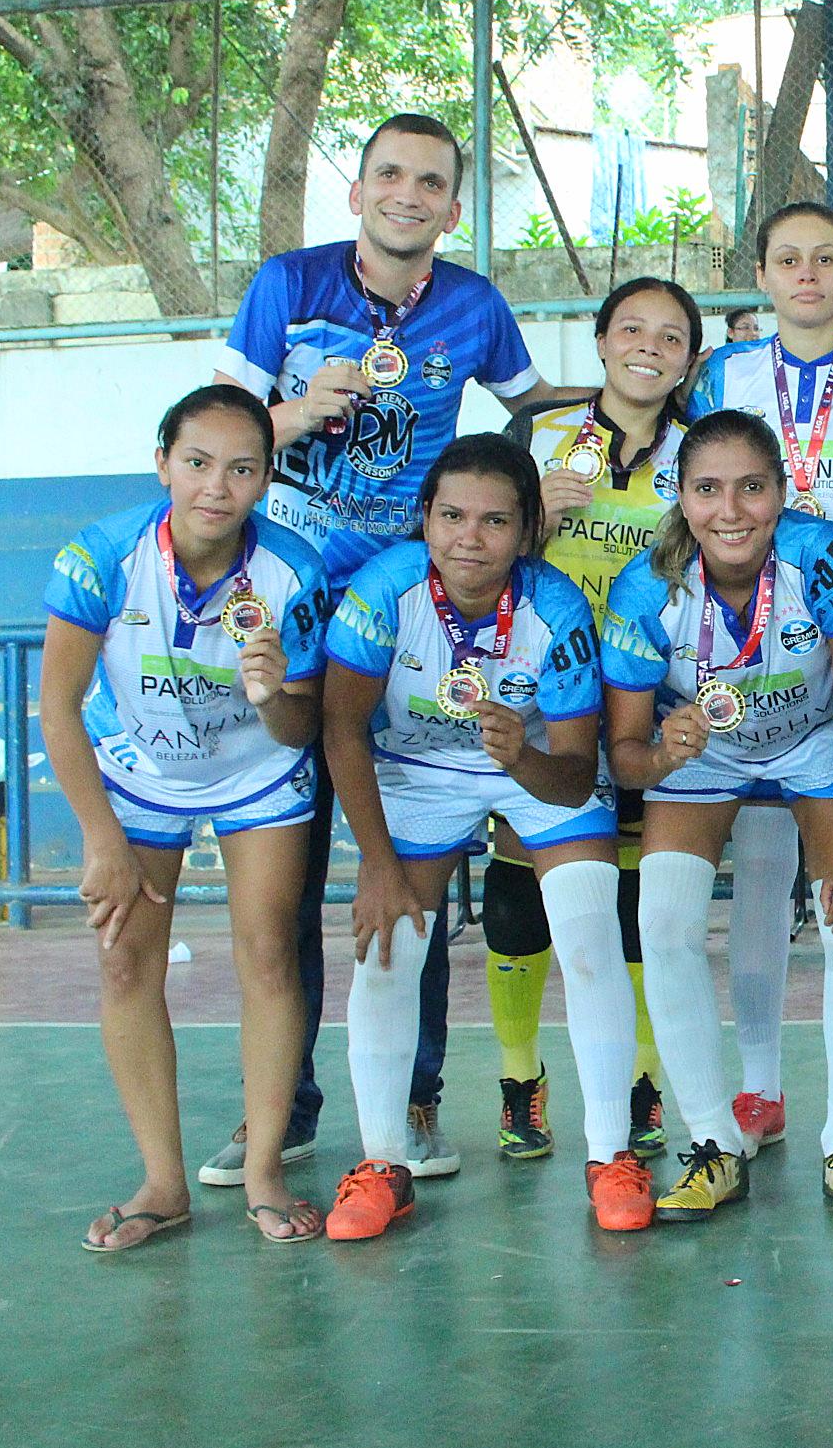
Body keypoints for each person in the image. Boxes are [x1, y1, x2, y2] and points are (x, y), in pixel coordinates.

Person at [206, 111, 575, 1189]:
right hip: (287, 610)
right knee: (284, 884)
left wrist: (622, 424)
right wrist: (289, 411)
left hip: (412, 613)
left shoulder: (473, 304)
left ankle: (414, 1100)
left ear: (454, 208)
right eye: (390, 175)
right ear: (359, 190)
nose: (408, 194)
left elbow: (537, 408)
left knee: (403, 871)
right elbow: (213, 433)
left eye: (431, 182)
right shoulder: (289, 283)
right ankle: (281, 1112)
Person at [42, 387, 332, 1250]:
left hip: (257, 770)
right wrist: (102, 840)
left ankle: (265, 1170)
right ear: (162, 462)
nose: (217, 486)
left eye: (243, 468)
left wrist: (275, 687)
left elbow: (300, 728)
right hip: (138, 767)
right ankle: (163, 1185)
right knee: (126, 961)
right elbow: (57, 707)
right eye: (198, 463)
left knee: (270, 954)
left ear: (266, 478)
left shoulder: (293, 573)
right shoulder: (100, 558)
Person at [316, 435, 615, 1239]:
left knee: (588, 936)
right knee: (389, 943)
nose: (468, 539)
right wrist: (377, 866)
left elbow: (579, 775)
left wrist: (521, 756)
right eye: (450, 516)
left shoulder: (556, 608)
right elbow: (340, 727)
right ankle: (382, 1164)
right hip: (415, 770)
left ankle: (611, 1156)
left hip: (536, 764)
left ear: (527, 533)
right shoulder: (385, 589)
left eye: (493, 521)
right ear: (424, 518)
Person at [602, 411, 833, 1222]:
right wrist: (665, 754)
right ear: (680, 497)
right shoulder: (646, 589)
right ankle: (709, 1141)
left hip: (817, 740)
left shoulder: (822, 560)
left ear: (781, 492)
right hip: (706, 758)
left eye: (751, 488)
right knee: (662, 925)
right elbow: (625, 755)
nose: (730, 511)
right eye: (708, 490)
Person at [691, 201, 833, 1163]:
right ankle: (758, 1086)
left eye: (826, 259)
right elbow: (706, 486)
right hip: (752, 643)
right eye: (788, 258)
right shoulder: (725, 373)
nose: (808, 275)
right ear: (762, 273)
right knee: (758, 873)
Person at [488, 276, 701, 1175]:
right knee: (517, 880)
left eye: (670, 335)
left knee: (630, 895)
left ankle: (642, 1086)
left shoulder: (698, 453)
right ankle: (517, 1077)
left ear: (690, 358)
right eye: (631, 329)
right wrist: (533, 520)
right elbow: (477, 544)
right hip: (542, 689)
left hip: (646, 688)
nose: (648, 346)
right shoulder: (538, 436)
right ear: (602, 340)